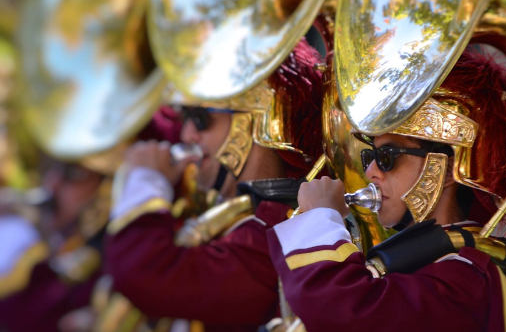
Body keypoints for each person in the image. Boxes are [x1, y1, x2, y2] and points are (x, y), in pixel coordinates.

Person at [268, 44, 506, 331]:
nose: (370, 171)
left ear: (449, 167)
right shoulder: (424, 258)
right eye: (370, 156)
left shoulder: (466, 275)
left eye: (387, 157)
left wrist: (319, 222)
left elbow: (348, 310)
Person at [105, 37, 327, 332]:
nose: (185, 135)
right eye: (184, 118)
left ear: (256, 119)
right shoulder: (235, 221)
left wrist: (147, 179)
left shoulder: (277, 239)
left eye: (199, 118)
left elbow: (142, 270)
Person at [0, 107, 181, 332]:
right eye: (55, 168)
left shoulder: (114, 267)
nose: (53, 184)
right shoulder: (56, 251)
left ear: (110, 186)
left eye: (73, 175)